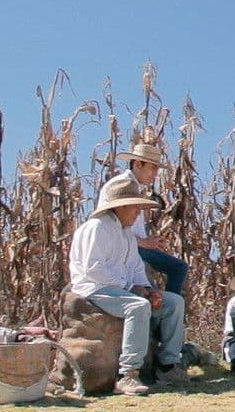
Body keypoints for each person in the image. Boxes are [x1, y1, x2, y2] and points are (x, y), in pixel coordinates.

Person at [68, 175, 189, 396]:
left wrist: (148, 289)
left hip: (120, 288)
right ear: (121, 207)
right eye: (134, 208)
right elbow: (93, 269)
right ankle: (128, 374)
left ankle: (168, 365)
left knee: (174, 302)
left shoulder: (126, 235)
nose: (137, 214)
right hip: (95, 287)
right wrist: (131, 288)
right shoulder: (97, 228)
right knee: (137, 306)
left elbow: (135, 268)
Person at [101, 142, 188, 296]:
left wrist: (152, 242)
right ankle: (169, 309)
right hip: (127, 248)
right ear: (138, 164)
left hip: (137, 246)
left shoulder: (136, 187)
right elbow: (111, 228)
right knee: (178, 268)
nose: (155, 175)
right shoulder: (121, 186)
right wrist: (144, 243)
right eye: (153, 168)